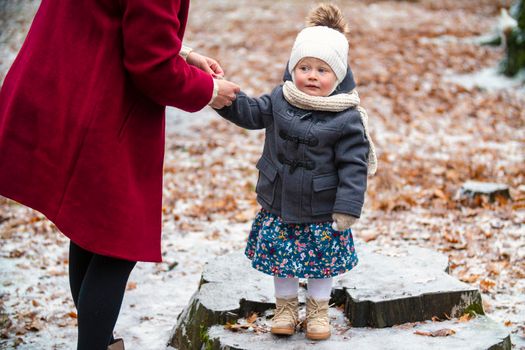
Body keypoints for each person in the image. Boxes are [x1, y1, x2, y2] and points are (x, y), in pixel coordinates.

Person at [0, 1, 239, 349]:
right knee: (116, 243)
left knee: (93, 230)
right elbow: (152, 66)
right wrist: (210, 91)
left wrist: (182, 52)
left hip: (69, 84)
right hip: (98, 107)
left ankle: (101, 341)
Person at [215, 3, 377, 341]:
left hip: (322, 207)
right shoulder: (279, 98)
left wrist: (348, 207)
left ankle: (318, 310)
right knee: (282, 260)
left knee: (321, 262)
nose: (312, 76)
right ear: (292, 69)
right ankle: (286, 307)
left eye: (322, 70)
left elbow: (354, 165)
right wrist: (225, 100)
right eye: (304, 67)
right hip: (281, 201)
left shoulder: (346, 116)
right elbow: (252, 113)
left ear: (339, 75)